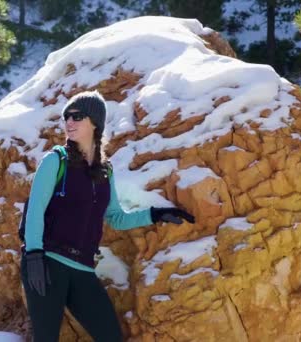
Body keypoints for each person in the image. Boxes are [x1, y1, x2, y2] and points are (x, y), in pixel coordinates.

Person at [20, 90, 195, 342]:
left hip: (82, 268)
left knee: (110, 336)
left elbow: (116, 217)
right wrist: (34, 256)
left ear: (95, 122)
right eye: (66, 117)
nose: (69, 122)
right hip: (47, 263)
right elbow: (35, 209)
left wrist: (156, 214)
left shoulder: (104, 171)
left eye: (77, 116)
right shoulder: (55, 161)